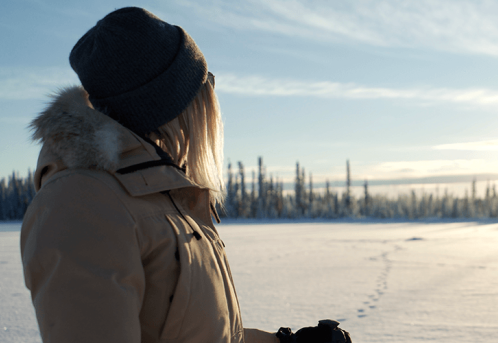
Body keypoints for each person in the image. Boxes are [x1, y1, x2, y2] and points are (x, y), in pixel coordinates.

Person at [20, 7, 348, 343]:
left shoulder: (160, 195)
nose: (211, 93)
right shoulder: (83, 203)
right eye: (204, 81)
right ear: (170, 101)